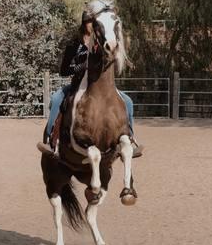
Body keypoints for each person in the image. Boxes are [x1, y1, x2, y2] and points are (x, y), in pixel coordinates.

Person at [38, 11, 142, 158]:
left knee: (128, 102)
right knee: (56, 99)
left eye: (93, 23)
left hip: (101, 87)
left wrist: (125, 60)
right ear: (84, 24)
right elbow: (63, 71)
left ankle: (129, 139)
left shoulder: (100, 43)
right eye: (88, 22)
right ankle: (51, 140)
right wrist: (81, 67)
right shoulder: (75, 44)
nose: (91, 26)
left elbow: (113, 54)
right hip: (79, 85)